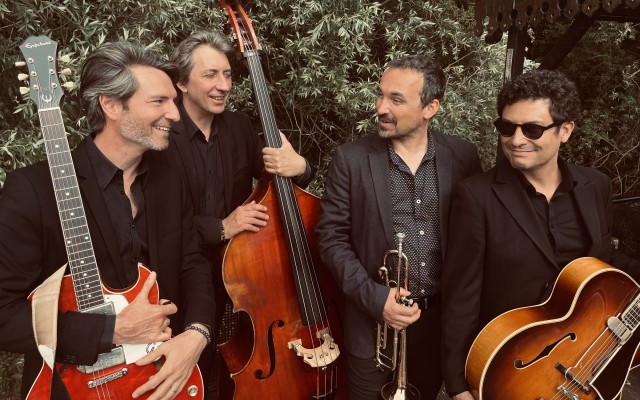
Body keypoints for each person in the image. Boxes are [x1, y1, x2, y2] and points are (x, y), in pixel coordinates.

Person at [0, 41, 216, 399]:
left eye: (173, 101)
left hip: (162, 378)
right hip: (76, 387)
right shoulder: (33, 191)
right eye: (159, 101)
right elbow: (4, 316)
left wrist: (196, 334)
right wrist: (111, 330)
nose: (176, 114)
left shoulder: (169, 178)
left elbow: (193, 263)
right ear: (112, 105)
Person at [441, 69, 640, 400]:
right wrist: (458, 385)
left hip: (584, 357)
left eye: (532, 129)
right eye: (507, 127)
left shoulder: (596, 186)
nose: (516, 140)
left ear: (566, 131)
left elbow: (602, 259)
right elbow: (461, 296)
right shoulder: (475, 196)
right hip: (511, 365)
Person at [156, 30, 316, 396]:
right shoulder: (162, 135)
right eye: (210, 75)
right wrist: (221, 227)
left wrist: (301, 167)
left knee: (234, 372)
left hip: (240, 279)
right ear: (182, 82)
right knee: (187, 379)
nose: (224, 85)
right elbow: (156, 221)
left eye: (228, 74)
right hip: (179, 280)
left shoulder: (239, 127)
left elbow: (277, 179)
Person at [315, 55, 482, 400]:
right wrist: (376, 299)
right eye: (380, 95)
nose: (381, 108)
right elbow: (331, 239)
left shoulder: (463, 157)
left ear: (430, 108)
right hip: (371, 325)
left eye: (396, 99)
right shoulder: (350, 158)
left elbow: (475, 240)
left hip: (436, 325)